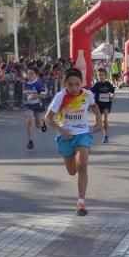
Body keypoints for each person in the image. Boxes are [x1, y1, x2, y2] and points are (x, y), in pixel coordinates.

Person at [45, 67, 103, 216]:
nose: (74, 88)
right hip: (65, 137)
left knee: (82, 166)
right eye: (70, 84)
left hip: (82, 134)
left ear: (81, 83)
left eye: (77, 84)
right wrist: (61, 129)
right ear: (65, 84)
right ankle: (74, 161)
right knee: (72, 171)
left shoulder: (87, 94)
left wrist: (99, 120)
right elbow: (48, 118)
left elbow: (94, 106)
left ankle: (81, 202)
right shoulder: (60, 96)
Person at [22, 68, 48, 150]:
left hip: (38, 105)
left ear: (36, 75)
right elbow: (24, 94)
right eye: (28, 73)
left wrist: (34, 95)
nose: (30, 75)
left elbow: (43, 96)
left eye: (32, 73)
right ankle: (30, 141)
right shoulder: (25, 83)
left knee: (38, 125)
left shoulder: (38, 84)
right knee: (29, 121)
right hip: (29, 105)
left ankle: (42, 122)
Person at [90, 68, 115, 144]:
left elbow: (112, 91)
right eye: (99, 75)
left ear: (105, 75)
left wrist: (112, 95)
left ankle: (105, 136)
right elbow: (91, 92)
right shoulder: (97, 85)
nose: (101, 76)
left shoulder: (108, 84)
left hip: (106, 104)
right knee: (97, 122)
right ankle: (91, 133)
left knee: (105, 118)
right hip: (98, 105)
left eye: (102, 75)